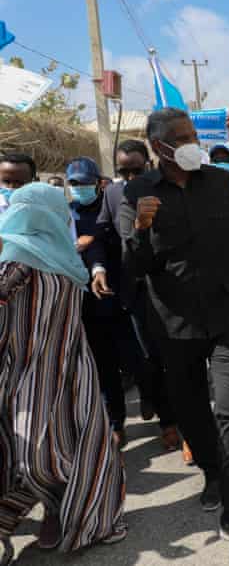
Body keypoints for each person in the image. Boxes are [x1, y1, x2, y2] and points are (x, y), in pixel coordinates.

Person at [119, 108, 229, 549]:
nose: (191, 144)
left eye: (192, 136)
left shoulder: (221, 183)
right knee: (192, 411)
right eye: (181, 138)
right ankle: (212, 472)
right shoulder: (137, 192)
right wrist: (141, 230)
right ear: (158, 147)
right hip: (175, 322)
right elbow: (134, 268)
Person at [0, 183, 126, 565]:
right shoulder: (17, 257)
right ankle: (46, 509)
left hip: (72, 366)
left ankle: (88, 518)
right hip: (25, 372)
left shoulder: (64, 255)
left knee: (85, 445)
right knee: (33, 453)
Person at [93, 140, 180, 455]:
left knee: (177, 360)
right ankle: (168, 421)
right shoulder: (113, 194)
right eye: (123, 172)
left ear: (150, 163)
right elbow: (102, 233)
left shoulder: (169, 187)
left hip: (173, 288)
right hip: (135, 293)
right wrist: (98, 266)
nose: (130, 178)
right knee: (149, 359)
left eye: (136, 170)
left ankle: (183, 424)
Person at [65, 157, 129, 446]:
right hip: (88, 300)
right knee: (103, 364)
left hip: (124, 297)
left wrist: (98, 238)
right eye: (74, 183)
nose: (79, 188)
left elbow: (109, 244)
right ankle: (114, 422)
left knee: (140, 361)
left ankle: (167, 418)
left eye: (85, 183)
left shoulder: (114, 205)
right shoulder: (67, 215)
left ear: (99, 183)